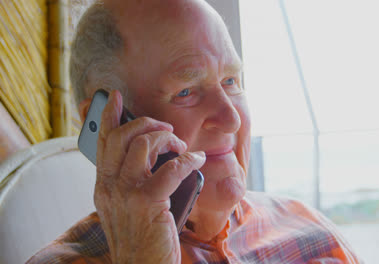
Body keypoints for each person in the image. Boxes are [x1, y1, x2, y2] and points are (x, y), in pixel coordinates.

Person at [27, 0, 360, 263]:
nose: (231, 118)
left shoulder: (314, 235)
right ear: (108, 126)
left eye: (231, 81)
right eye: (186, 91)